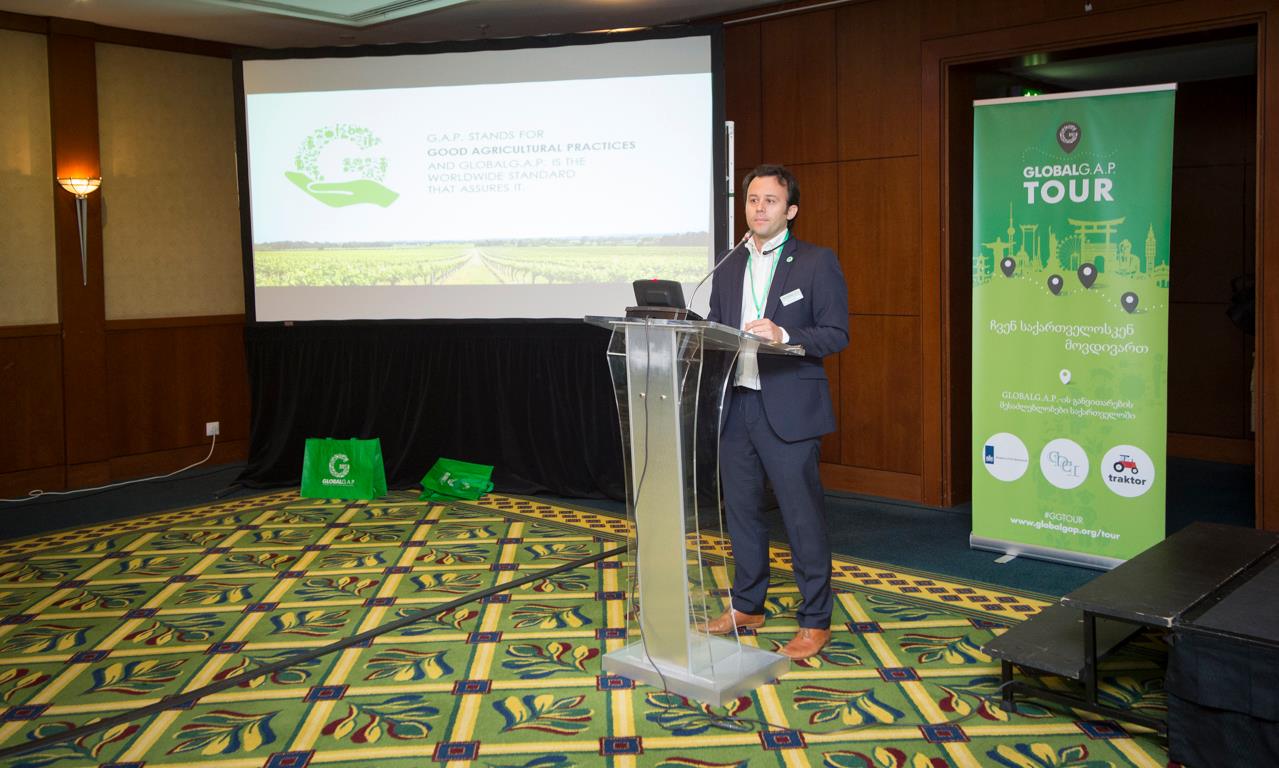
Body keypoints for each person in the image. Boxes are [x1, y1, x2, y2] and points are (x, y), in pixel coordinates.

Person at [704, 164, 849, 661]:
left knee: (801, 517)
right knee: (742, 512)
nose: (759, 208)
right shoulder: (728, 264)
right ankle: (748, 605)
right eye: (752, 200)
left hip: (788, 408)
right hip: (736, 403)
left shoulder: (815, 262)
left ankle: (815, 619)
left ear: (791, 210)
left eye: (770, 201)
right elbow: (716, 325)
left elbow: (836, 333)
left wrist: (784, 335)